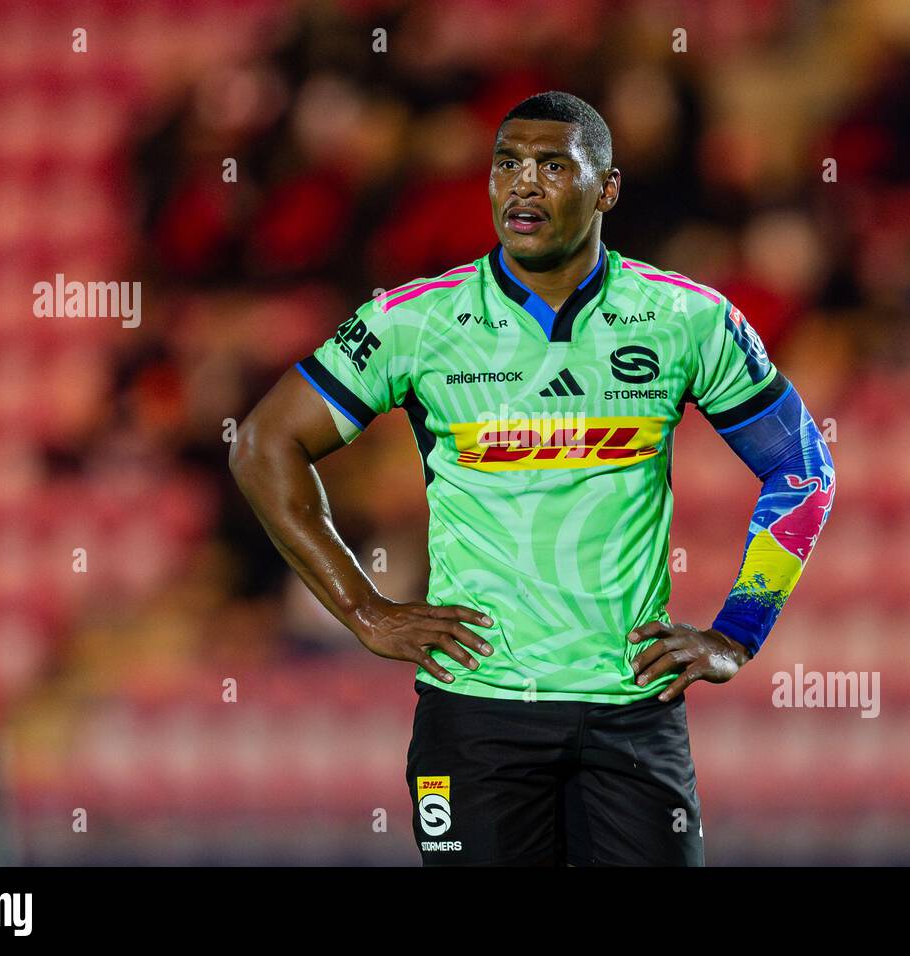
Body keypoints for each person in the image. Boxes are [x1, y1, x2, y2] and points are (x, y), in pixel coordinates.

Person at [230, 91, 835, 866]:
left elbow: (802, 469)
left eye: (554, 165)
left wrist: (738, 633)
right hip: (477, 719)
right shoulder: (417, 320)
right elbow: (262, 445)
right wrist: (363, 609)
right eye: (507, 164)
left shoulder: (685, 318)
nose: (524, 183)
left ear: (607, 188)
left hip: (630, 715)